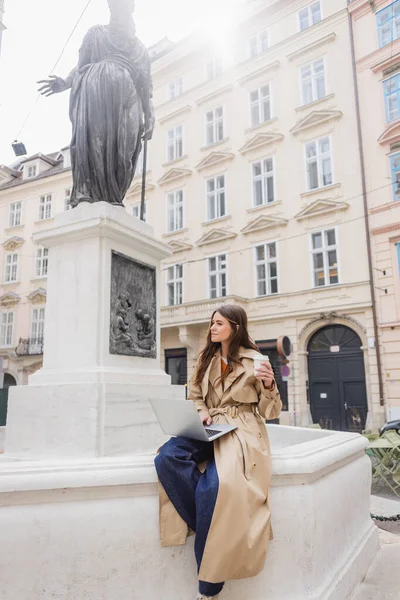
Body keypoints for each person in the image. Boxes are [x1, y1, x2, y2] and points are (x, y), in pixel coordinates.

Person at [154, 304, 282, 600]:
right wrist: (200, 412)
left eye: (218, 323)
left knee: (214, 487)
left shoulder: (255, 360)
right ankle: (212, 527)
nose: (211, 328)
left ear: (235, 327)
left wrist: (269, 383)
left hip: (242, 428)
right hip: (209, 424)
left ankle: (209, 589)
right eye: (212, 323)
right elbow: (196, 396)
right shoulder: (205, 358)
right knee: (167, 457)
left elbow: (271, 411)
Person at [37, 0, 154, 208]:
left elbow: (146, 87)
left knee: (125, 150)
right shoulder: (96, 34)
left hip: (129, 99)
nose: (119, 9)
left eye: (124, 5)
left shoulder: (141, 50)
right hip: (97, 94)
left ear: (132, 8)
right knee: (96, 142)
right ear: (110, 8)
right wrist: (65, 83)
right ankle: (90, 194)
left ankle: (114, 196)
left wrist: (150, 113)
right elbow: (80, 67)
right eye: (115, 5)